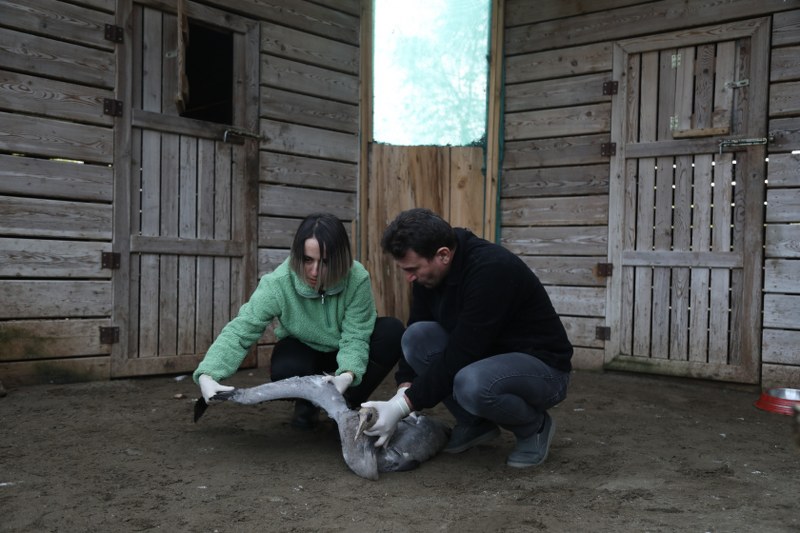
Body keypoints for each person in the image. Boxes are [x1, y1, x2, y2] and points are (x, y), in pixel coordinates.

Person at [362, 208, 573, 468]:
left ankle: (534, 427)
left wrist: (401, 406)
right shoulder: (429, 275)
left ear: (443, 255)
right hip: (487, 357)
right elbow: (416, 324)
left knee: (471, 383)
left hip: (543, 368)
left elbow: (463, 352)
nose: (409, 278)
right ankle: (475, 424)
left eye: (413, 269)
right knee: (416, 338)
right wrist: (404, 386)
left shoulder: (490, 270)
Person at [194, 213, 404, 429]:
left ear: (340, 258)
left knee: (391, 332)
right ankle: (308, 404)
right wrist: (208, 374)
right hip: (305, 352)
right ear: (297, 255)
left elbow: (356, 335)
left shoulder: (357, 279)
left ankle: (347, 401)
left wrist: (347, 374)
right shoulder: (278, 283)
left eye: (325, 262)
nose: (314, 271)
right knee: (287, 365)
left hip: (344, 351)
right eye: (307, 260)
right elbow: (241, 329)